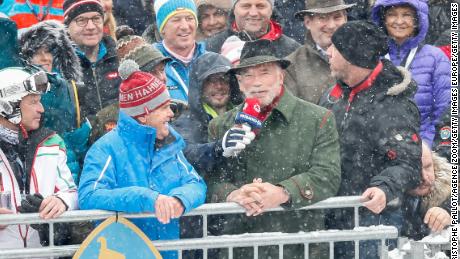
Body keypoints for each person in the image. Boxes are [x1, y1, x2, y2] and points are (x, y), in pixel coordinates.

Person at [207, 39, 341, 258]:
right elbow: (211, 178)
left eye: (265, 73)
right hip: (240, 244)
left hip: (301, 243)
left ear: (281, 76)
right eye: (248, 76)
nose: (256, 83)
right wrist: (234, 194)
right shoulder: (221, 125)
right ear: (239, 83)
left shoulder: (318, 119)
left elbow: (328, 175)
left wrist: (282, 192)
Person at [78, 60, 207, 259]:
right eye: (164, 108)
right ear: (144, 115)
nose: (171, 114)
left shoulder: (170, 144)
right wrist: (146, 198)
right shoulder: (106, 149)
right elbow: (89, 196)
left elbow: (196, 183)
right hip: (123, 252)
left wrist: (180, 199)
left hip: (167, 252)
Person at [318, 21, 422, 258]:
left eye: (335, 47)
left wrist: (384, 187)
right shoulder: (334, 94)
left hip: (373, 218)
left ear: (351, 56)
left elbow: (408, 164)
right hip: (333, 213)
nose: (328, 52)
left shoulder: (394, 104)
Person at [0, 67, 78, 249]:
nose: (41, 109)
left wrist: (62, 201)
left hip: (41, 252)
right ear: (8, 105)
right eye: (33, 102)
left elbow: (72, 192)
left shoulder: (51, 142)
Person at [18, 20, 91, 182]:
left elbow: (77, 140)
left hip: (70, 170)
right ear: (25, 57)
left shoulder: (70, 87)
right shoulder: (21, 91)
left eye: (49, 51)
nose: (45, 58)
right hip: (39, 171)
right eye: (37, 53)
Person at [371, 0, 450, 146]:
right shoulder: (372, 56)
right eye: (392, 15)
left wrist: (432, 147)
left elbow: (446, 109)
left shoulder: (436, 57)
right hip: (378, 149)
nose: (399, 21)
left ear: (418, 19)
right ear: (383, 19)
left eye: (406, 15)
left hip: (424, 147)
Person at [89, 26, 172, 143]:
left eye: (162, 70)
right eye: (153, 72)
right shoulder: (111, 119)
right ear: (133, 77)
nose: (162, 78)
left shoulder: (174, 108)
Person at [284, 0, 354, 104]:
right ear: (307, 22)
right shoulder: (291, 66)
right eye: (322, 18)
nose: (331, 25)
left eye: (337, 17)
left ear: (345, 19)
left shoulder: (367, 55)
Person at [64, 0, 121, 119]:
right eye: (81, 20)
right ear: (67, 26)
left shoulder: (121, 56)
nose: (91, 26)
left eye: (96, 18)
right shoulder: (59, 65)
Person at [154, 0, 207, 106]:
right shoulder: (151, 64)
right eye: (176, 20)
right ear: (162, 28)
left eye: (189, 18)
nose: (184, 26)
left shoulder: (211, 60)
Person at [205, 0, 300, 58]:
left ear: (271, 10)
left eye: (260, 6)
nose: (253, 13)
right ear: (234, 10)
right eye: (246, 6)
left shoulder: (293, 50)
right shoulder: (211, 48)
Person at [403, 143, 451, 240]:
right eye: (416, 171)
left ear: (434, 165)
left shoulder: (450, 188)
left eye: (428, 167)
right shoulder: (391, 202)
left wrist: (447, 213)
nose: (424, 177)